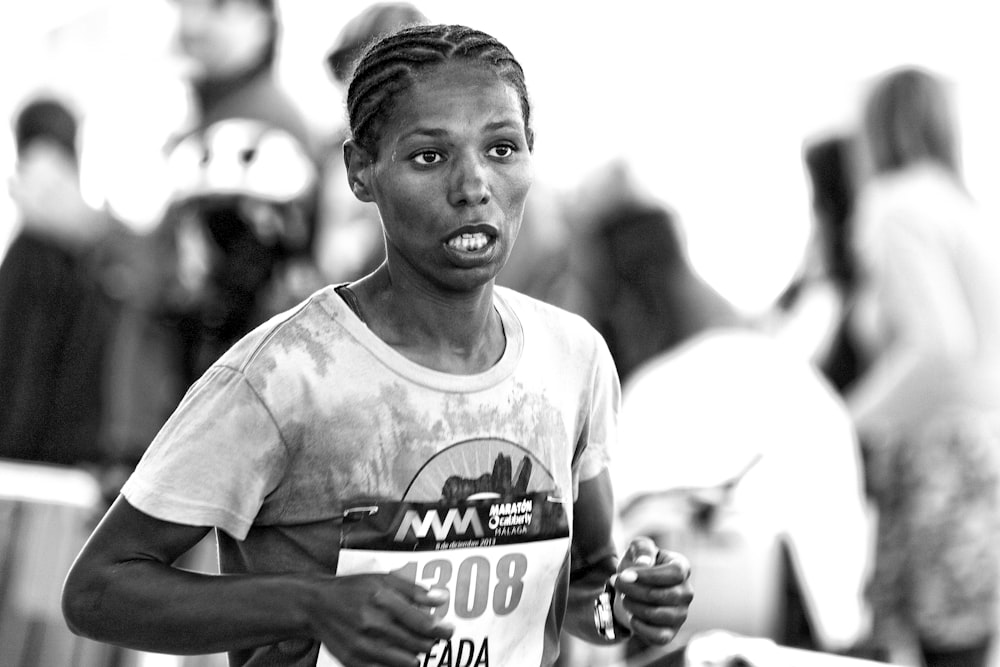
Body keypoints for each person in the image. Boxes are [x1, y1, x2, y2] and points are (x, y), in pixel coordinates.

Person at [61, 23, 693, 667]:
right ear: (362, 170)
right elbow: (99, 589)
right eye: (429, 156)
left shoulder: (573, 360)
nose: (473, 186)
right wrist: (313, 604)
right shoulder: (286, 374)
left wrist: (631, 601)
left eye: (502, 149)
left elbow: (586, 582)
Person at [561, 200, 871, 666]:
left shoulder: (643, 402)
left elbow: (593, 583)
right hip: (812, 637)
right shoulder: (793, 378)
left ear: (619, 304)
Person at [848, 65, 1000, 667]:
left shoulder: (896, 203)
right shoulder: (962, 204)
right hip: (982, 453)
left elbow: (939, 346)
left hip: (939, 462)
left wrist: (847, 420)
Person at [0, 95, 121, 467]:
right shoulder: (93, 246)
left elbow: (21, 363)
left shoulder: (34, 247)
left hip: (28, 453)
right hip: (74, 446)